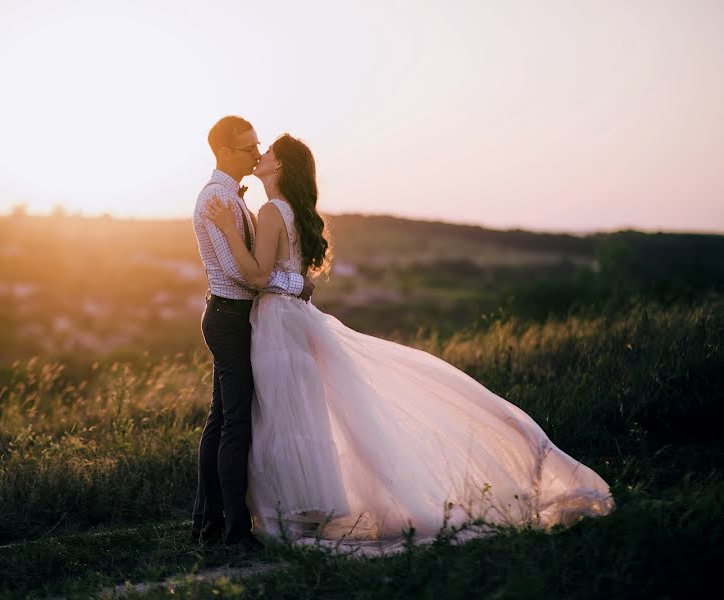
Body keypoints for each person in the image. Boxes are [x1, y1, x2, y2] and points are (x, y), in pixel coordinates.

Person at [205, 133, 614, 552]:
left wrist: (227, 230)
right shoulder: (289, 211)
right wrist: (295, 282)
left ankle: (288, 512)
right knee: (299, 415)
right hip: (293, 319)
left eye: (268, 150)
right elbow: (294, 277)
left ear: (282, 166)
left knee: (281, 415)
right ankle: (306, 510)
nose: (261, 154)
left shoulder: (273, 210)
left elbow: (256, 276)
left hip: (277, 322)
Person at [191, 116, 314, 551]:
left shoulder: (233, 198)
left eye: (259, 147)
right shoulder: (215, 201)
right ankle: (235, 532)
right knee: (236, 425)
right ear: (224, 152)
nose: (257, 154)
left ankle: (207, 522)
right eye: (248, 148)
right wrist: (296, 285)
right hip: (229, 317)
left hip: (239, 317)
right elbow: (242, 274)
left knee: (222, 420)